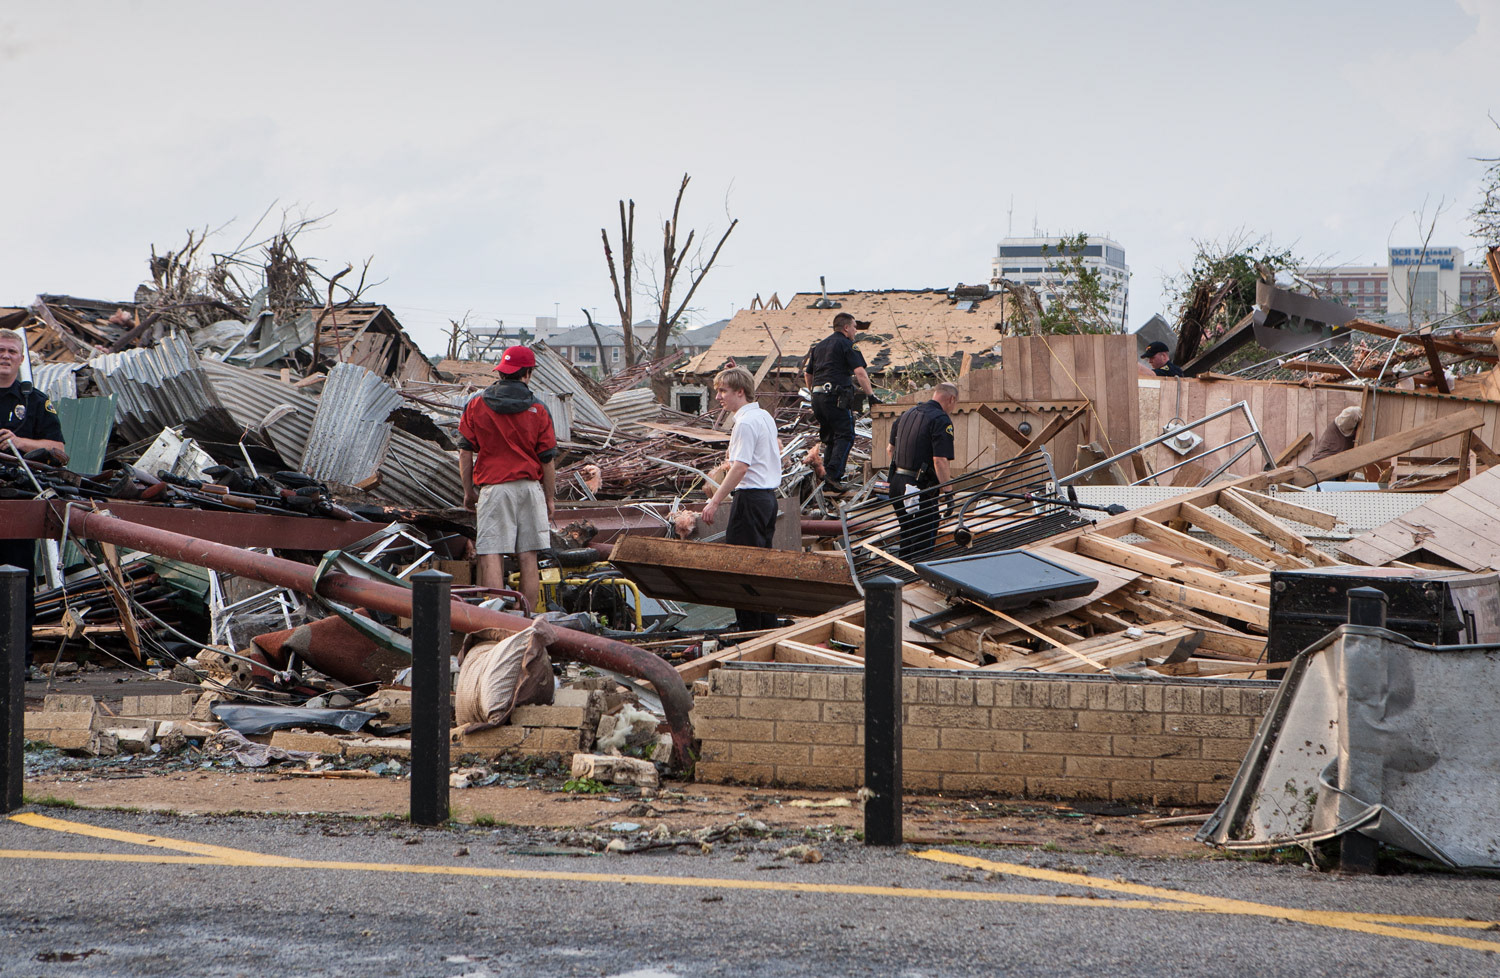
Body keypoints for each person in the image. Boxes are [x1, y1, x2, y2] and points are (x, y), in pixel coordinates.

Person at [458, 345, 557, 612]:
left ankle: (495, 620)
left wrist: (469, 492)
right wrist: (548, 497)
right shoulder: (539, 408)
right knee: (529, 556)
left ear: (502, 370)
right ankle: (524, 618)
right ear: (528, 373)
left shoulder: (476, 404)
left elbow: (465, 452)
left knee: (491, 553)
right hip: (529, 488)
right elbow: (547, 460)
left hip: (494, 488)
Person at [0, 328, 67, 679]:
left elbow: (60, 452)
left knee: (18, 587)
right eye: (0, 349)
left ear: (21, 359)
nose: (6, 355)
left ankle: (19, 666)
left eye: (12, 350)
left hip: (17, 508)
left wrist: (19, 441)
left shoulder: (36, 401)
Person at [702, 366, 783, 633]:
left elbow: (741, 467)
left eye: (723, 391)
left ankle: (749, 631)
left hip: (750, 500)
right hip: (767, 500)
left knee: (742, 567)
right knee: (762, 567)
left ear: (740, 391)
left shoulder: (745, 422)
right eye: (717, 391)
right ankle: (765, 627)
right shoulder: (764, 416)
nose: (718, 397)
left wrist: (714, 502)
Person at [802, 312, 876, 491]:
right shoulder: (847, 344)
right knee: (845, 434)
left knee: (830, 438)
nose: (856, 331)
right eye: (854, 327)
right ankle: (833, 478)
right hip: (836, 397)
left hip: (818, 398)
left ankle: (825, 477)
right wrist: (871, 396)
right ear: (846, 328)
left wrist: (814, 392)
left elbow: (808, 374)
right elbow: (860, 372)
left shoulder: (819, 346)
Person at [887, 382, 957, 562]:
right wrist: (948, 493)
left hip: (897, 485)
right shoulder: (941, 420)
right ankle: (915, 582)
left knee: (908, 536)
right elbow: (940, 460)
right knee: (922, 543)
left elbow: (890, 449)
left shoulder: (907, 414)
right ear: (951, 399)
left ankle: (901, 580)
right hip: (918, 489)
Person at [1309, 406, 1362, 474]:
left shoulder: (1350, 427)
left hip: (1335, 468)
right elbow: (1352, 413)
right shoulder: (1342, 423)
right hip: (1322, 466)